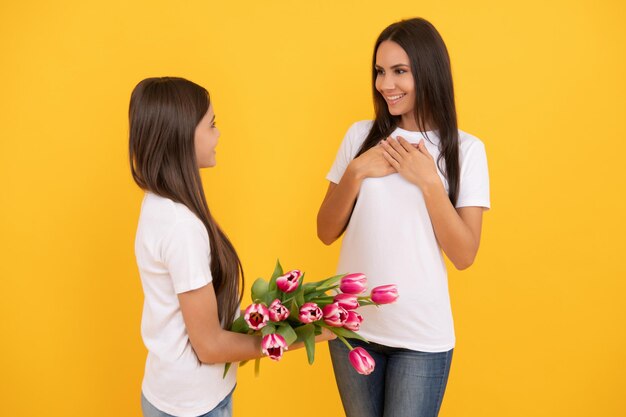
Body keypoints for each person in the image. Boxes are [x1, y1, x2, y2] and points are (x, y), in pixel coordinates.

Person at [317, 18, 490, 417]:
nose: (385, 84)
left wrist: (429, 182)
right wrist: (358, 170)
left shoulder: (466, 150)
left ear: (428, 72)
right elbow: (325, 231)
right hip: (350, 329)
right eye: (380, 71)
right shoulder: (359, 136)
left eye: (399, 71)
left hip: (420, 338)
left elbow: (464, 255)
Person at [129, 77, 332, 417]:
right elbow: (209, 346)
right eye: (211, 125)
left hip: (170, 394)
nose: (218, 133)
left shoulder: (158, 204)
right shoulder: (181, 227)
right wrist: (306, 333)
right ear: (181, 136)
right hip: (192, 406)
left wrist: (274, 317)